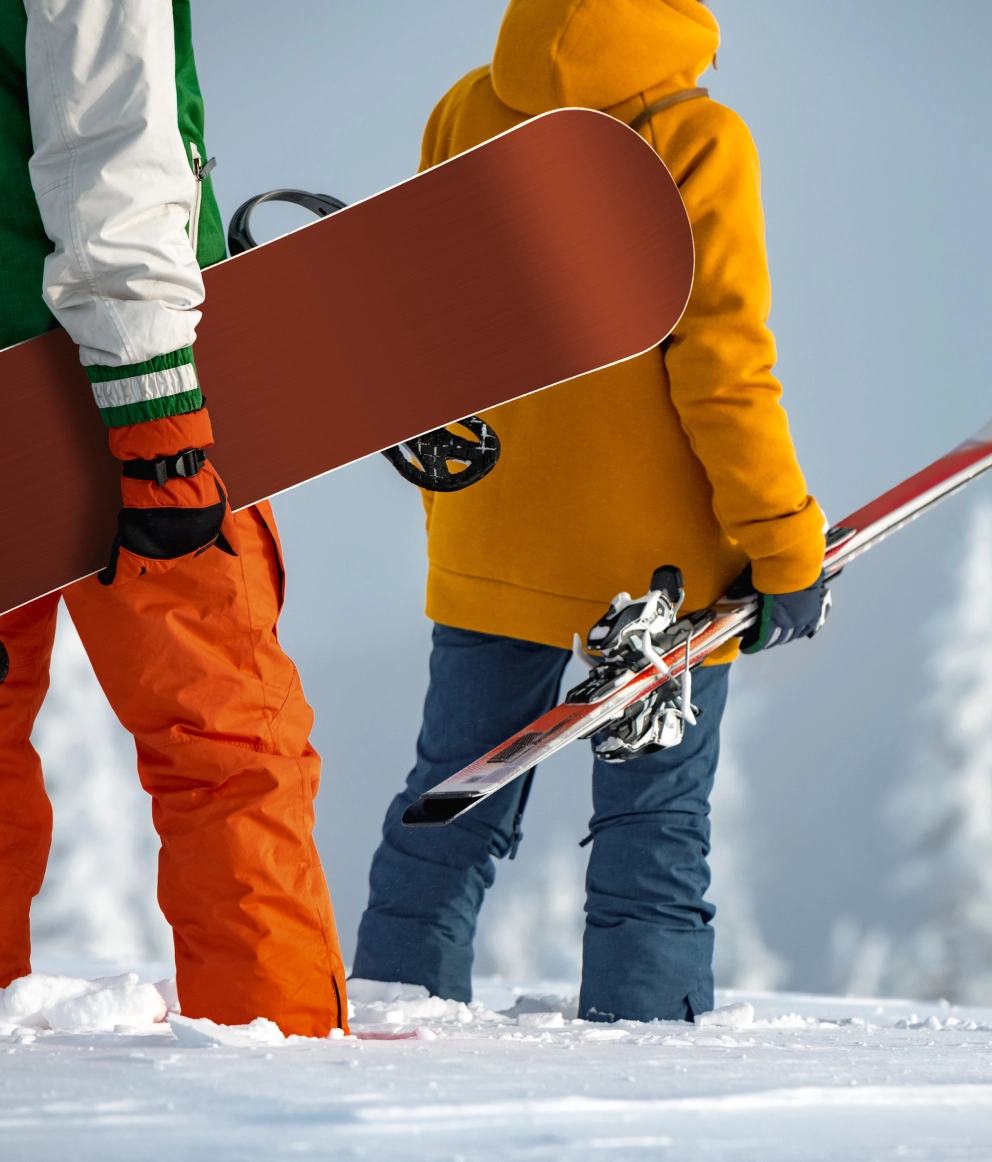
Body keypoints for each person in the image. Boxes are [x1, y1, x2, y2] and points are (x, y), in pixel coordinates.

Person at [353, 0, 828, 1024]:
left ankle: (388, 1019)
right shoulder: (697, 137)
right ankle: (645, 1062)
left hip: (491, 531)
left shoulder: (467, 110)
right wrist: (783, 545)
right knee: (652, 831)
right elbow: (722, 367)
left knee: (449, 801)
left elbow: (426, 316)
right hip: (655, 577)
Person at [0, 0, 347, 1036]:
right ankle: (271, 1061)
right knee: (225, 737)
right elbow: (110, 128)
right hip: (86, 381)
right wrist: (154, 403)